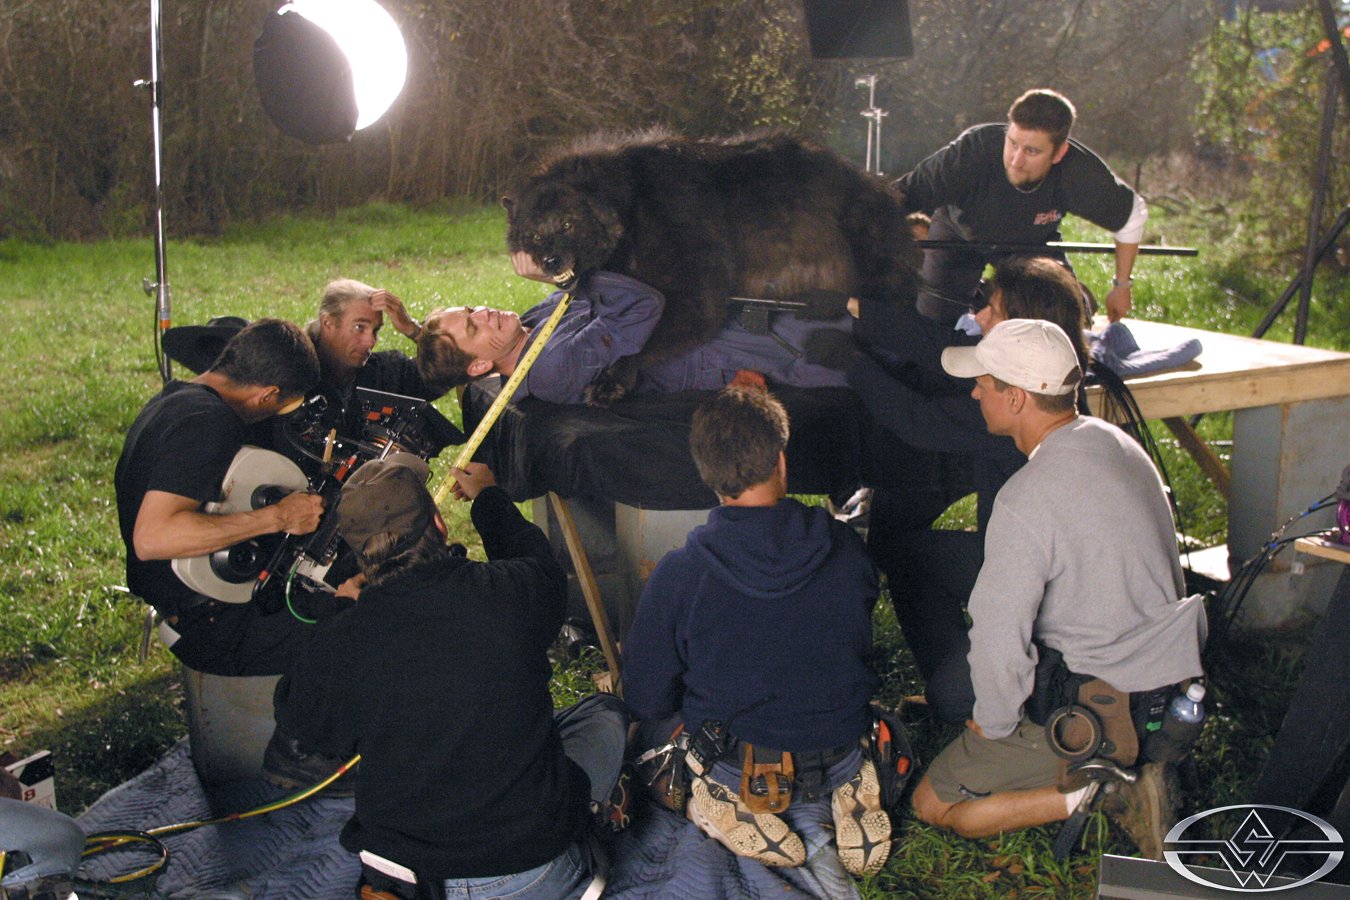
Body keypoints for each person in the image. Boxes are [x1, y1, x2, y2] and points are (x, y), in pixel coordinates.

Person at [909, 318, 1206, 860]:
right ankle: (1129, 764)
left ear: (1017, 399)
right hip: (1169, 677)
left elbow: (1001, 639)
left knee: (934, 806)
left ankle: (1111, 788)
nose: (974, 389)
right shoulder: (1116, 442)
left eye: (985, 381)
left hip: (1100, 704)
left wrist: (994, 722)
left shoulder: (1026, 498)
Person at [275, 453, 630, 899]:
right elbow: (535, 558)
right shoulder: (512, 592)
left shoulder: (340, 642)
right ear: (440, 525)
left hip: (407, 875)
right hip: (526, 872)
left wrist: (339, 610)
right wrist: (488, 499)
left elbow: (305, 726)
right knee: (604, 715)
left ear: (359, 555)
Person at [622, 385, 891, 879]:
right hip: (841, 741)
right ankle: (852, 783)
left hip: (738, 761)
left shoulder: (681, 573)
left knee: (647, 734)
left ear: (707, 476)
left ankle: (718, 801)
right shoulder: (846, 546)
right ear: (781, 462)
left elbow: (647, 695)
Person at [846, 257, 1092, 722]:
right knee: (911, 553)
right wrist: (856, 308)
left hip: (1043, 591)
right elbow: (942, 346)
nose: (977, 317)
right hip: (1045, 565)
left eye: (991, 310)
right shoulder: (1054, 374)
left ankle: (968, 698)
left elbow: (920, 422)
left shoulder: (1016, 403)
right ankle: (959, 681)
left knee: (907, 559)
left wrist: (851, 366)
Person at [115, 318, 328, 677]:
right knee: (358, 628)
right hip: (213, 627)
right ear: (267, 395)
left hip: (188, 607)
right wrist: (278, 517)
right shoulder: (210, 423)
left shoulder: (174, 398)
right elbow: (152, 538)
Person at [415, 251, 854, 403]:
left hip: (707, 312)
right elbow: (642, 305)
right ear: (478, 368)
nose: (486, 313)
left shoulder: (531, 324)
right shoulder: (546, 373)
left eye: (472, 308)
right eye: (474, 327)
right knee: (851, 348)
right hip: (721, 347)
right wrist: (561, 276)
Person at [895, 88, 1147, 325]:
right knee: (932, 323)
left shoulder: (1079, 173)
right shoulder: (970, 153)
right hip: (957, 235)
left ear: (1058, 153)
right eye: (1012, 143)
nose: (1016, 160)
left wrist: (1122, 286)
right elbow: (899, 196)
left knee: (1066, 317)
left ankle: (1025, 298)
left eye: (1032, 151)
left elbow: (1132, 215)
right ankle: (983, 297)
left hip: (1030, 244)